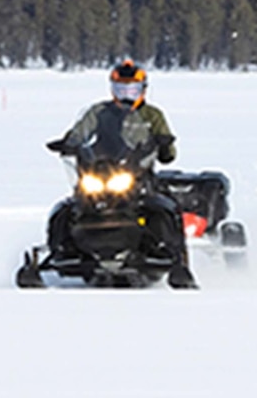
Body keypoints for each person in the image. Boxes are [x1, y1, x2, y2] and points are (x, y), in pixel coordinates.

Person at [53, 59, 228, 268]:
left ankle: (174, 255)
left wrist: (163, 144)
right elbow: (80, 133)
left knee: (161, 209)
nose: (126, 95)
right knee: (68, 209)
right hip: (101, 172)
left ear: (142, 90)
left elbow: (168, 153)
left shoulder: (152, 115)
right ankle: (60, 250)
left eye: (132, 89)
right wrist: (69, 144)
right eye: (121, 89)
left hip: (136, 174)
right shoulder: (99, 113)